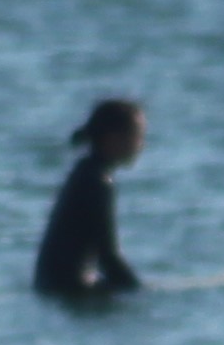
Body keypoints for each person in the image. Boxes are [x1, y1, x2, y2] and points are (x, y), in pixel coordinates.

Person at [34, 97, 144, 299]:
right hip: (69, 290)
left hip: (50, 286)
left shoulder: (83, 172)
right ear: (112, 138)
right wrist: (141, 292)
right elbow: (108, 257)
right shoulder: (98, 182)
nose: (140, 145)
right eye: (137, 136)